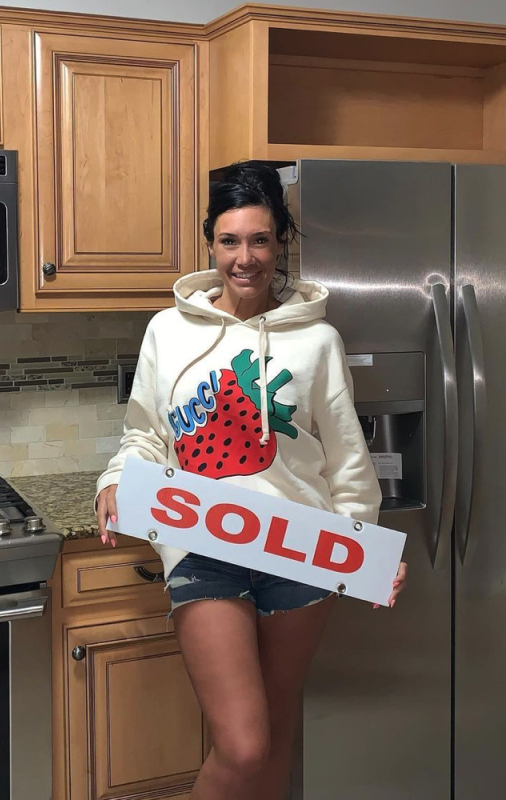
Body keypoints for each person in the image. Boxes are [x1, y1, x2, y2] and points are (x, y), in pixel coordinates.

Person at [95, 161, 407, 800]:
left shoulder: (317, 340)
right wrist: (115, 479)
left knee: (277, 730)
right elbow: (146, 434)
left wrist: (364, 550)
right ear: (210, 243)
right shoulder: (168, 330)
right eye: (230, 240)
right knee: (243, 744)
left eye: (260, 240)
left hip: (300, 549)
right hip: (203, 545)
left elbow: (348, 459)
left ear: (280, 243)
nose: (245, 258)